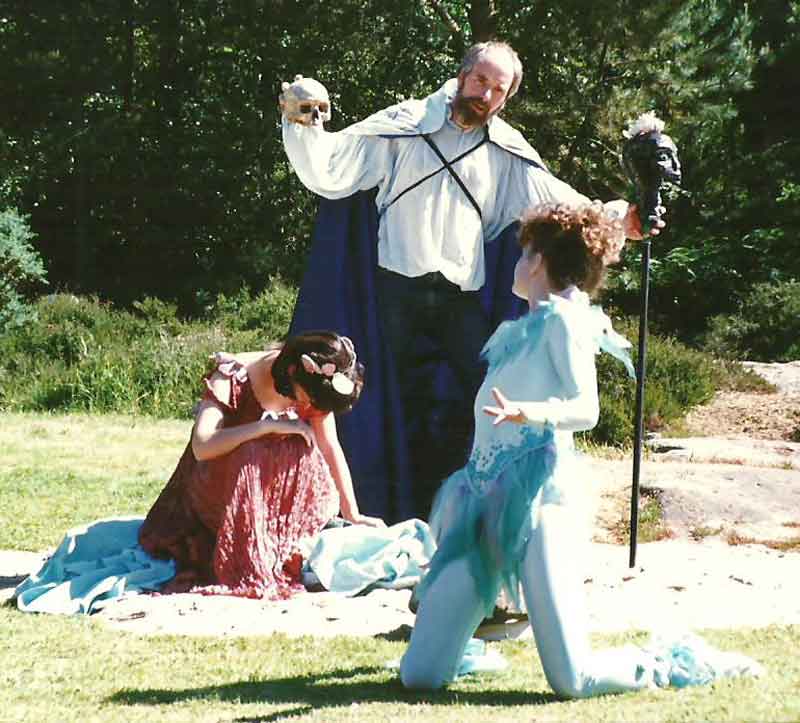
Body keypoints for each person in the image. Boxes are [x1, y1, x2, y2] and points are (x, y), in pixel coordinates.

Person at [281, 41, 658, 518]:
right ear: (462, 75)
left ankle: (468, 509)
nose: (486, 94)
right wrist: (303, 123)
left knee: (479, 396)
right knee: (392, 401)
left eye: (498, 89)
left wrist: (623, 217)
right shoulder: (403, 126)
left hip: (461, 297)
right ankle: (386, 506)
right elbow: (332, 166)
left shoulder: (506, 150)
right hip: (396, 290)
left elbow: (564, 205)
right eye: (481, 80)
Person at [399, 202, 762, 695]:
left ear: (539, 260)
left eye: (523, 252)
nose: (515, 262)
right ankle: (466, 645)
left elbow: (584, 408)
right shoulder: (522, 328)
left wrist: (529, 412)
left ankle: (668, 662)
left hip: (537, 506)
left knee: (574, 680)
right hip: (479, 505)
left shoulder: (563, 321)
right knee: (418, 676)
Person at [138, 330, 384, 599]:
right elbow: (202, 446)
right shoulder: (233, 375)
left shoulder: (312, 386)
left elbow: (329, 445)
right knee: (255, 450)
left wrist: (353, 513)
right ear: (291, 371)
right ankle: (252, 547)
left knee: (302, 443)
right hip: (217, 485)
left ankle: (287, 540)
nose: (308, 405)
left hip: (268, 494)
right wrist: (264, 427)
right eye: (307, 398)